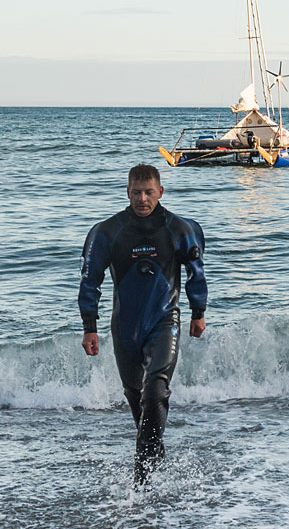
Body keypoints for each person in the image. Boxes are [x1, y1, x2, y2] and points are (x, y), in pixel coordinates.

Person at [78, 164, 207, 483]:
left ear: (160, 192)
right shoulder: (109, 231)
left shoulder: (178, 229)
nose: (142, 199)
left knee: (156, 390)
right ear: (127, 192)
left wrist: (198, 312)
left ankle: (142, 477)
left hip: (165, 320)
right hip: (124, 327)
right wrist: (89, 327)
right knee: (136, 397)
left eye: (149, 192)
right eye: (136, 192)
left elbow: (196, 272)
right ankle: (155, 464)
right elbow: (89, 281)